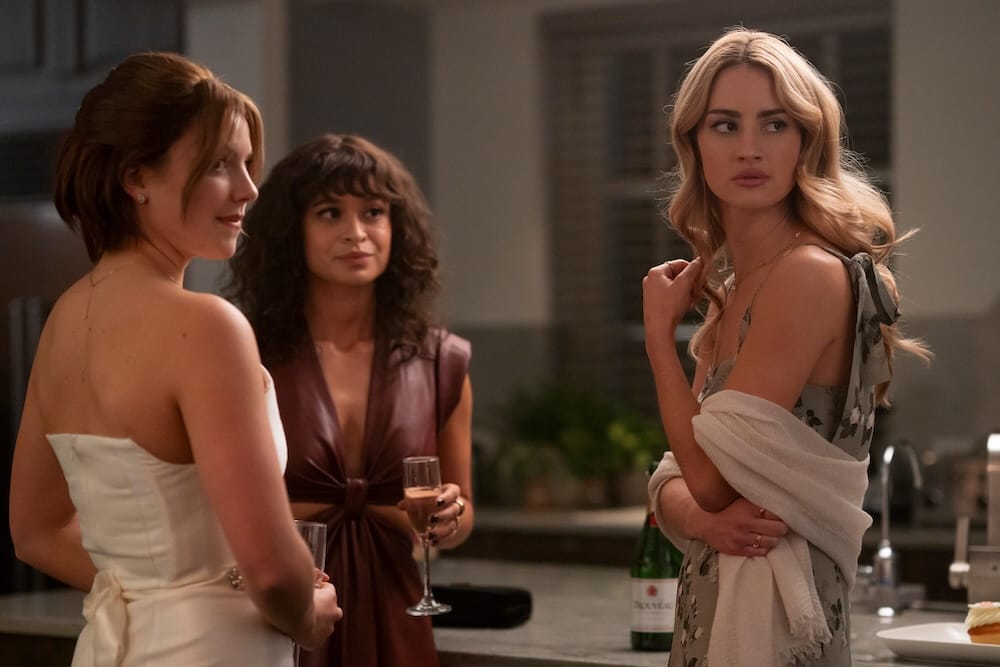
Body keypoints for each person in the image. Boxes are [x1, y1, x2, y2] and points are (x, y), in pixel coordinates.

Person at [8, 52, 342, 666]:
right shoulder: (208, 327)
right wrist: (306, 614)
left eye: (246, 163)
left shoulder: (63, 322)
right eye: (219, 164)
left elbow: (34, 532)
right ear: (136, 177)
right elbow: (272, 571)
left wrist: (155, 592)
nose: (248, 189)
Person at [641, 28, 930, 666]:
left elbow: (704, 481)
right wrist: (705, 519)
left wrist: (659, 340)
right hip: (712, 609)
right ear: (694, 143)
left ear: (807, 139)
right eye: (725, 125)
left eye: (775, 124)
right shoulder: (732, 291)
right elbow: (673, 478)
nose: (750, 147)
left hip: (776, 631)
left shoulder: (807, 274)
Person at [225, 133, 474, 667]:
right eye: (330, 213)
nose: (356, 233)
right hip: (277, 610)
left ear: (397, 227)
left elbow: (463, 513)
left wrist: (450, 517)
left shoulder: (441, 359)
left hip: (398, 612)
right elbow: (214, 507)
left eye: (374, 212)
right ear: (291, 230)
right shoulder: (245, 354)